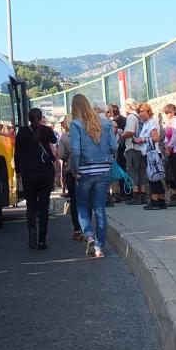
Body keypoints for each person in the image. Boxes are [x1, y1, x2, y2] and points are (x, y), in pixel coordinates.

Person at [69, 94, 117, 258]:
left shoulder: (75, 124)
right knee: (100, 209)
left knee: (82, 207)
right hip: (103, 170)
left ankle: (89, 235)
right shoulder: (105, 123)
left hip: (84, 171)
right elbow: (114, 146)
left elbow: (75, 150)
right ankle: (99, 247)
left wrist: (75, 169)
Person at [15, 108, 57, 250]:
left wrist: (18, 171)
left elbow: (17, 153)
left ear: (28, 118)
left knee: (31, 205)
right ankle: (42, 240)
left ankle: (32, 230)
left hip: (29, 173)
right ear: (40, 118)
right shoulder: (47, 130)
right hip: (46, 173)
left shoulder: (22, 131)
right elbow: (54, 140)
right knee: (44, 206)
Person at [55, 116, 83, 240]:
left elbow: (61, 154)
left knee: (74, 200)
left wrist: (67, 158)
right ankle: (86, 228)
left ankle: (77, 229)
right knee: (85, 200)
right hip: (85, 170)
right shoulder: (84, 134)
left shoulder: (64, 137)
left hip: (71, 171)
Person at [137, 103, 166, 210]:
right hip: (148, 153)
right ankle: (161, 200)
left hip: (152, 153)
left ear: (148, 111)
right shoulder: (145, 124)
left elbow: (155, 138)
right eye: (139, 111)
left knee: (153, 177)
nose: (141, 114)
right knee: (155, 177)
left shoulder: (151, 122)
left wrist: (142, 140)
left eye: (143, 111)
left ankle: (155, 201)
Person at [121, 98, 146, 204]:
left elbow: (130, 132)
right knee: (141, 172)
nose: (124, 108)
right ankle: (143, 196)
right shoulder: (139, 117)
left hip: (132, 148)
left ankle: (136, 196)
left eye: (125, 105)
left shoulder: (131, 117)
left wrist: (122, 136)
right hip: (140, 148)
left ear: (129, 106)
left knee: (132, 171)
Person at [93, 102, 116, 207]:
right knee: (105, 179)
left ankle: (100, 199)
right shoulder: (108, 123)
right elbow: (114, 146)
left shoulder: (89, 123)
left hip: (93, 158)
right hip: (106, 157)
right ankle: (107, 197)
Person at [110, 103, 127, 200]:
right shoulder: (124, 119)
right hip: (123, 148)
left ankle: (118, 193)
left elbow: (113, 134)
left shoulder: (114, 122)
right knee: (122, 170)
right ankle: (122, 192)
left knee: (117, 171)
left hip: (118, 149)